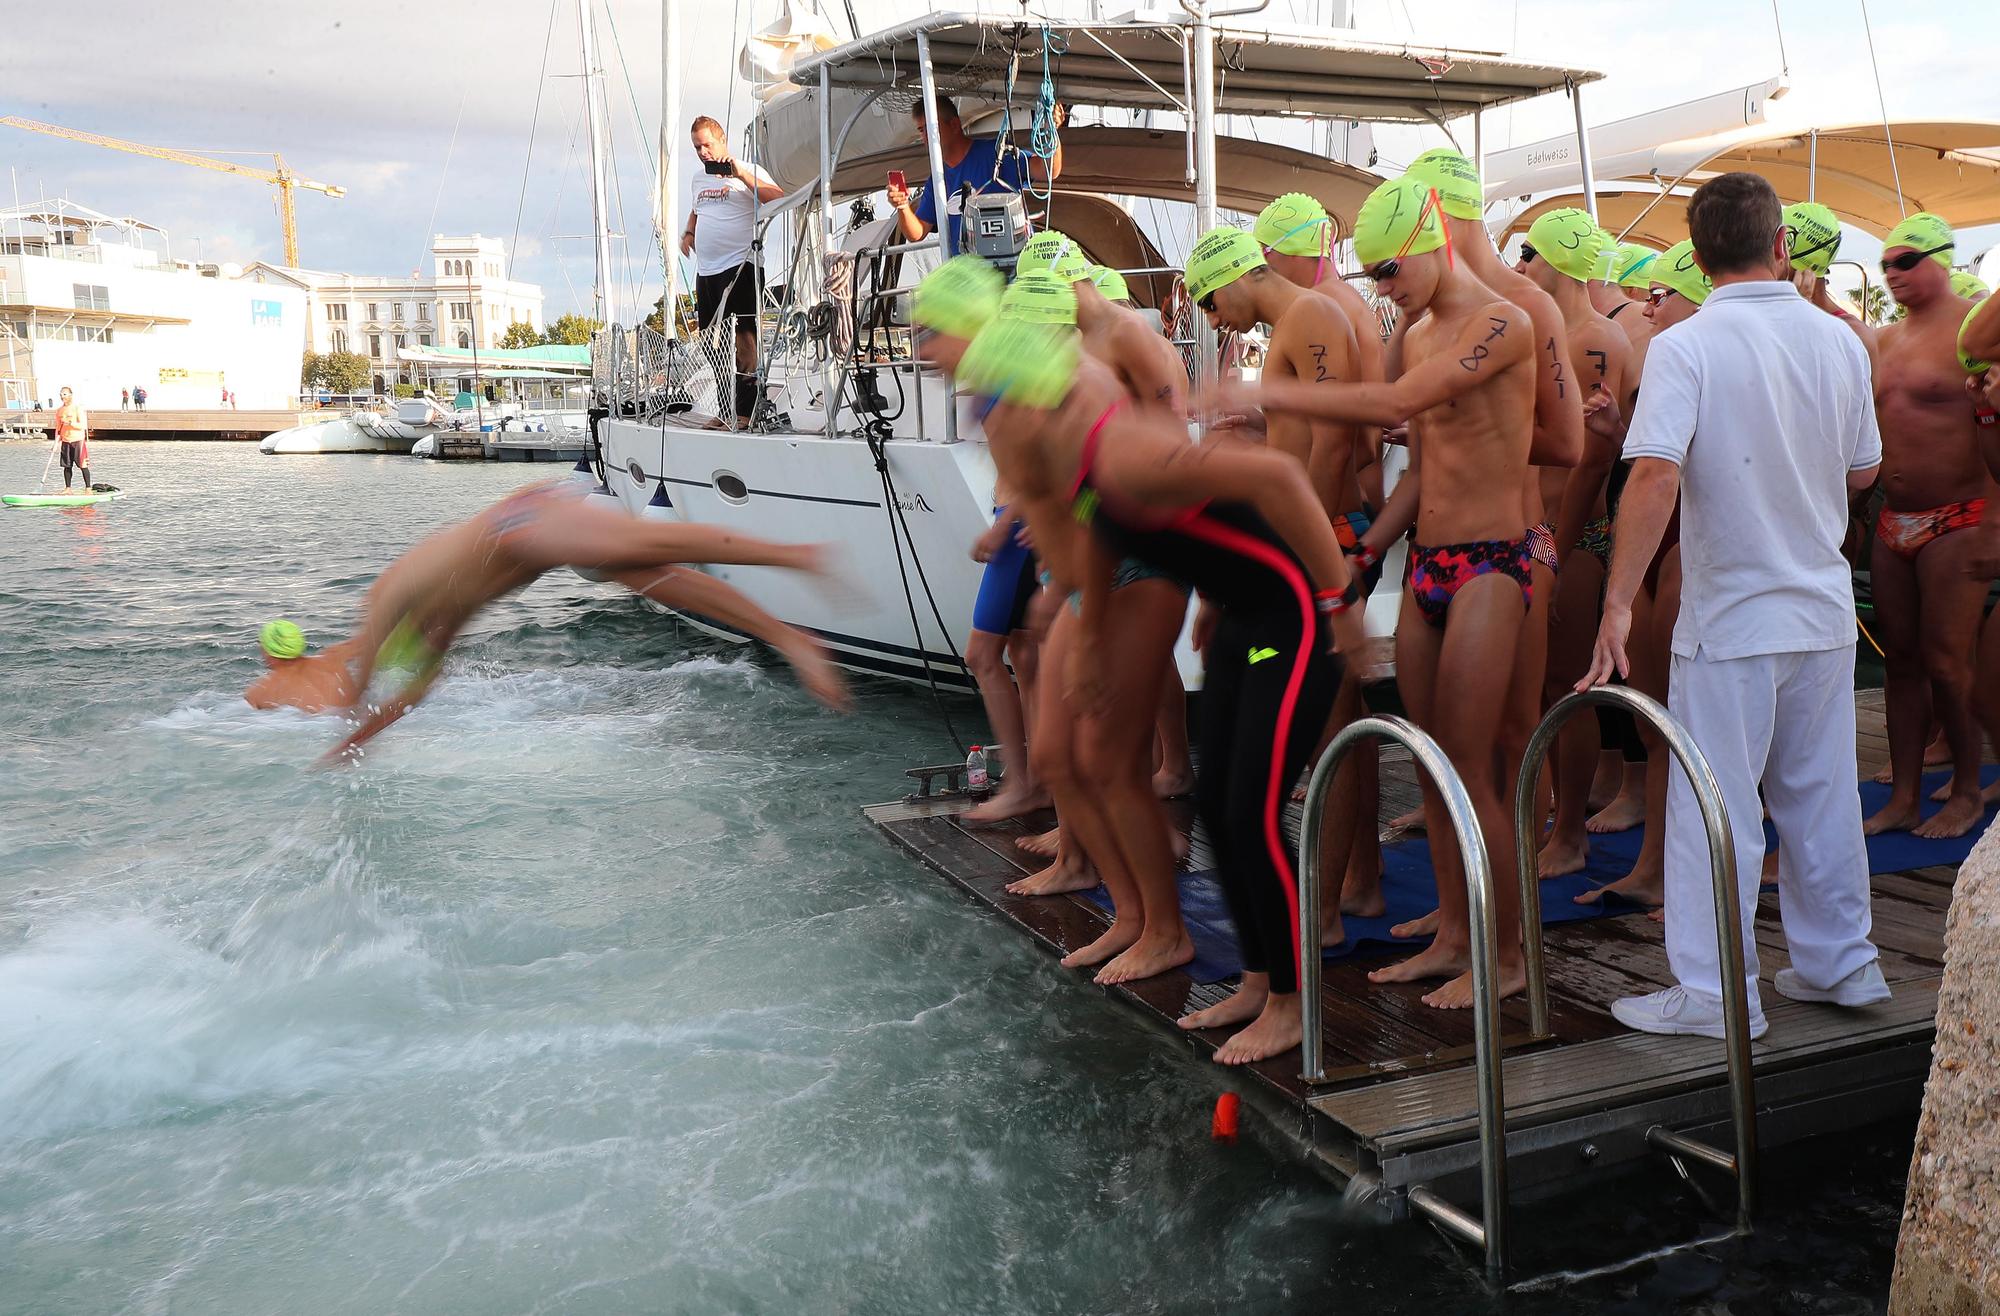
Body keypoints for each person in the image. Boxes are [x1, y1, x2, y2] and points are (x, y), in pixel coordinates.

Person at [960, 313, 1365, 1063]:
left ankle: (1291, 1003)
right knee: (1217, 806)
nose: (987, 427)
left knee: (1248, 812)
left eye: (990, 407)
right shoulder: (1083, 457)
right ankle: (1257, 979)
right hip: (1247, 616)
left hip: (1297, 615)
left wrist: (1340, 605)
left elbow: (1275, 477)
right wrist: (1106, 633)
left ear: (1029, 406)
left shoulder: (1125, 453)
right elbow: (1112, 535)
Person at [1582, 171, 1889, 1039]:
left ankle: (1719, 996)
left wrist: (1616, 603)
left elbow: (1654, 473)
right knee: (1819, 794)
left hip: (1732, 616)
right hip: (1822, 610)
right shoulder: (1840, 344)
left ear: (1699, 252)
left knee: (1710, 800)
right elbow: (1864, 470)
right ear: (1781, 243)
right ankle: (1843, 963)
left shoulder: (1688, 344)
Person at [1227, 176, 1539, 1011]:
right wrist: (1369, 544)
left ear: (1434, 235)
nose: (1385, 289)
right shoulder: (1414, 332)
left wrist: (1269, 392)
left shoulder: (1508, 321)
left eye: (1392, 270)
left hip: (1494, 563)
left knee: (1474, 768)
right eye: (1374, 278)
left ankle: (1507, 956)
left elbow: (1560, 444)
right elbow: (1426, 457)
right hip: (1425, 561)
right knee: (1432, 766)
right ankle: (1451, 935)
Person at [322, 482, 849, 760]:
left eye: (425, 636)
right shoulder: (444, 622)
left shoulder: (394, 596)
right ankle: (790, 638)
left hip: (524, 524)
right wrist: (359, 739)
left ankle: (796, 557)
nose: (436, 639)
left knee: (656, 544)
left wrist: (353, 697)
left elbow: (368, 645)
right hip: (526, 543)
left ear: (410, 629)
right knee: (655, 575)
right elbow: (416, 692)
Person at [1566, 240, 1712, 912]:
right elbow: (1655, 457)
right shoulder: (1671, 357)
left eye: (1664, 295)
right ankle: (1655, 867)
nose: (1650, 305)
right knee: (1655, 722)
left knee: (1689, 724)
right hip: (1657, 556)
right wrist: (1619, 427)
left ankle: (1693, 870)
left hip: (1686, 556)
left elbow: (1678, 473)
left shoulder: (1707, 357)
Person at [1863, 212, 1989, 841]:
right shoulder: (1885, 339)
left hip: (1961, 517)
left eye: (1906, 260)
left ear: (1943, 259)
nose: (1892, 273)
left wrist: (1995, 522)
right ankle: (1905, 796)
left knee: (1948, 661)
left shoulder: (1975, 330)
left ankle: (1967, 789)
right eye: (1887, 264)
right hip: (1894, 518)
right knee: (1902, 662)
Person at [915, 257, 1048, 824]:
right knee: (1024, 654)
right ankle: (1037, 781)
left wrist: (1000, 527)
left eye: (931, 334)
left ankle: (1026, 784)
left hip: (1022, 532)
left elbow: (1047, 466)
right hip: (1022, 527)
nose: (922, 350)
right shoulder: (1000, 370)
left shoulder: (998, 379)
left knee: (983, 655)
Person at [1521, 209, 1633, 879]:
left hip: (1576, 533)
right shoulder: (1534, 329)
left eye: (1530, 253)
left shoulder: (1597, 340)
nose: (1520, 265)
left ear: (1560, 262)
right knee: (1537, 691)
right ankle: (1552, 815)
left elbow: (1592, 460)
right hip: (1532, 533)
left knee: (1565, 688)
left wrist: (1557, 551)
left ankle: (1569, 837)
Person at [682, 114, 784, 427]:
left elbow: (778, 198)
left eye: (707, 145)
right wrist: (688, 233)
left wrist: (740, 174)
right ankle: (724, 410)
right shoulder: (700, 179)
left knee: (744, 342)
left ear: (722, 140)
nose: (703, 153)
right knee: (712, 345)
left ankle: (745, 411)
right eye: (697, 148)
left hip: (741, 266)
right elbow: (698, 208)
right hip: (707, 271)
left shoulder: (749, 171)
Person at [887, 96, 1062, 255]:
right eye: (921, 130)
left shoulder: (995, 154)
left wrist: (1052, 131)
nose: (925, 136)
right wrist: (902, 206)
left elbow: (1048, 171)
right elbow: (917, 233)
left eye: (931, 128)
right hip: (968, 282)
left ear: (954, 125)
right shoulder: (937, 181)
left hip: (1011, 273)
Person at [245, 620, 364, 713]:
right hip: (360, 721)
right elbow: (369, 640)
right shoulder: (335, 658)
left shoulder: (259, 693)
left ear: (267, 650)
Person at [54, 386, 90, 490]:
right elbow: (58, 428)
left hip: (78, 440)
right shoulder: (59, 411)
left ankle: (88, 488)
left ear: (70, 395)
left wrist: (70, 422)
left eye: (64, 394)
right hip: (66, 440)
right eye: (61, 394)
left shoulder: (77, 408)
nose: (62, 396)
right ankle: (68, 488)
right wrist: (56, 443)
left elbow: (83, 426)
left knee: (83, 465)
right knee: (67, 466)